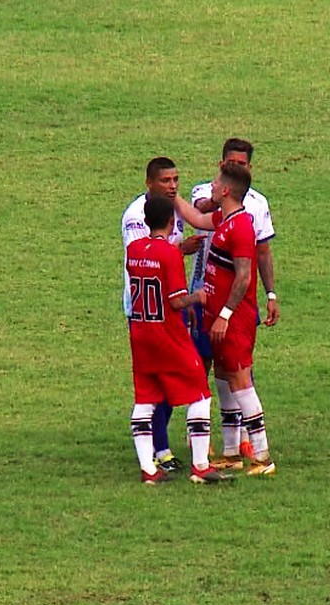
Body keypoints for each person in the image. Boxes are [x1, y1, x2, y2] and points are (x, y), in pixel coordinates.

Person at [173, 162, 276, 475]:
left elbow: (244, 277)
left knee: (241, 380)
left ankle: (262, 457)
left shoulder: (242, 226)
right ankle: (232, 452)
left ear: (227, 190)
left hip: (233, 318)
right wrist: (172, 195)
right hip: (216, 315)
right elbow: (197, 217)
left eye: (216, 183)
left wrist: (225, 316)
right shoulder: (223, 218)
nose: (212, 187)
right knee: (225, 378)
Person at [126, 196, 230, 484]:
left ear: (146, 221)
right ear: (172, 221)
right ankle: (200, 466)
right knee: (199, 393)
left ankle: (148, 469)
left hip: (140, 333)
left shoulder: (134, 250)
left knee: (145, 398)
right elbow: (174, 301)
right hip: (167, 335)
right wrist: (197, 298)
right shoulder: (169, 254)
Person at [121, 157, 205, 473]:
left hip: (169, 303)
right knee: (182, 383)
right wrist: (191, 297)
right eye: (165, 181)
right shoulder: (136, 217)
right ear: (149, 183)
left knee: (156, 387)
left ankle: (156, 454)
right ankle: (168, 452)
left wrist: (181, 251)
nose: (172, 186)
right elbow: (145, 257)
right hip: (148, 310)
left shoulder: (170, 211)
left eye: (175, 180)